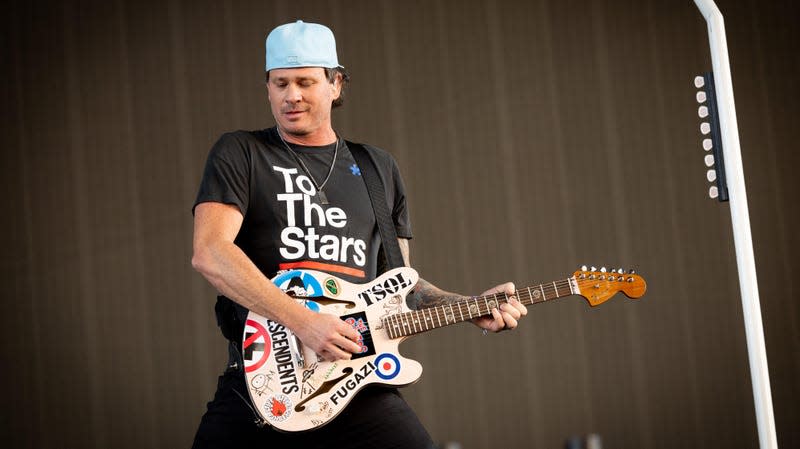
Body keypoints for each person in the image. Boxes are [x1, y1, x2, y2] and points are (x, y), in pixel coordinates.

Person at [190, 20, 527, 449]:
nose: (291, 95)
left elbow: (400, 283)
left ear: (336, 83)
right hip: (266, 384)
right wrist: (305, 323)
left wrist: (467, 306)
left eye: (306, 82)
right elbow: (210, 253)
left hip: (357, 382)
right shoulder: (242, 152)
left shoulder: (377, 168)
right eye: (280, 84)